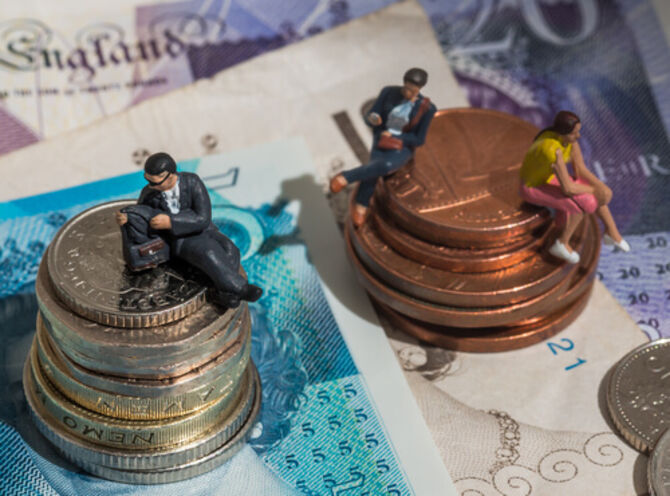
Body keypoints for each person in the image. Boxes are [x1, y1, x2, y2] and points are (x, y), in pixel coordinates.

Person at [115, 152, 262, 308]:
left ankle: (225, 295)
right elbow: (140, 214)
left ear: (170, 176)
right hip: (180, 239)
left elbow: (203, 217)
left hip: (204, 229)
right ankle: (241, 288)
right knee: (209, 252)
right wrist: (127, 218)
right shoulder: (149, 194)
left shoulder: (192, 182)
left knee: (231, 250)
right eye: (148, 181)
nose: (151, 186)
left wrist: (171, 221)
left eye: (155, 183)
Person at [329, 68, 436, 227]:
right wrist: (374, 119)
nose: (407, 92)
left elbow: (419, 140)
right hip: (381, 139)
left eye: (412, 90)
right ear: (403, 83)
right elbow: (370, 116)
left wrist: (396, 136)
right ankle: (361, 205)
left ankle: (347, 177)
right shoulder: (388, 92)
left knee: (384, 166)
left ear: (420, 90)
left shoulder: (427, 109)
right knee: (374, 168)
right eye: (406, 88)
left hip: (402, 146)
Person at [519, 111, 630, 264]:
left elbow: (581, 170)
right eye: (574, 133)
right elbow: (568, 188)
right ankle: (561, 244)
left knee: (599, 194)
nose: (578, 136)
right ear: (562, 133)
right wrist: (594, 191)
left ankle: (612, 232)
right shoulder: (551, 151)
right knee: (588, 202)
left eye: (578, 131)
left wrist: (600, 187)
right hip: (532, 186)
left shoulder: (570, 141)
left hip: (550, 179)